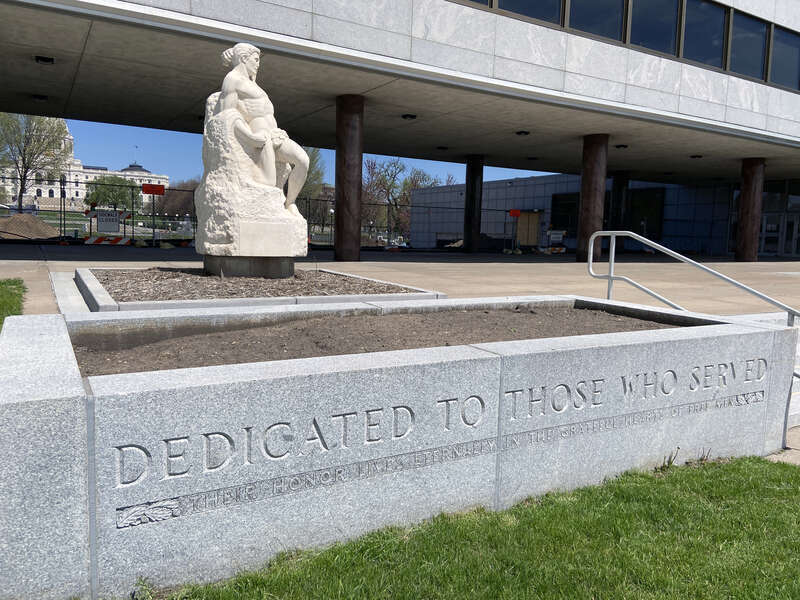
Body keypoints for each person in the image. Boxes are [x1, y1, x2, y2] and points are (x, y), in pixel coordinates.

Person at [219, 43, 308, 215]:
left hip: (276, 136)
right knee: (269, 184)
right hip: (260, 139)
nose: (258, 64)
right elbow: (227, 115)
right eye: (256, 59)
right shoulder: (232, 80)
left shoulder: (254, 84)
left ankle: (289, 203)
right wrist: (249, 137)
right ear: (244, 58)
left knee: (303, 161)